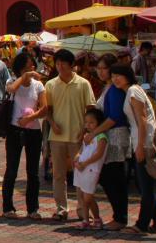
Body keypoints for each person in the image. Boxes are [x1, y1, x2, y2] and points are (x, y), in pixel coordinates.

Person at [112, 64, 156, 234]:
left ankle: (141, 225)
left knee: (146, 187)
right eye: (113, 76)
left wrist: (141, 146)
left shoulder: (133, 91)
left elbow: (142, 120)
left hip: (145, 143)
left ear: (127, 75)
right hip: (143, 142)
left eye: (118, 75)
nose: (115, 79)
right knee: (145, 185)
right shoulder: (132, 91)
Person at [43, 48, 95, 221]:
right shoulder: (50, 84)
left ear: (72, 65)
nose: (60, 67)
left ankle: (81, 209)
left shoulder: (83, 84)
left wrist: (85, 129)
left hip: (77, 137)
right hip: (57, 137)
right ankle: (61, 209)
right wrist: (52, 123)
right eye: (57, 64)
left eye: (63, 64)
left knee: (80, 175)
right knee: (58, 175)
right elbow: (47, 110)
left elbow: (90, 109)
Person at [87, 53, 132, 230]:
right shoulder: (108, 88)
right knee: (110, 178)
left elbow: (114, 117)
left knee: (113, 178)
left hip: (115, 136)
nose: (100, 71)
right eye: (98, 68)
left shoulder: (114, 89)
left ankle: (120, 217)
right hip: (109, 136)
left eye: (104, 68)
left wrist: (94, 133)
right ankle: (119, 216)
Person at [1, 51, 46, 220]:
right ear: (20, 69)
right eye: (28, 67)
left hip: (33, 131)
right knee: (11, 169)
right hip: (14, 130)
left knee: (33, 172)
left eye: (32, 66)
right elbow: (11, 89)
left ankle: (32, 209)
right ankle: (8, 207)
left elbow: (45, 108)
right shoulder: (12, 81)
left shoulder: (38, 85)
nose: (32, 69)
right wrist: (23, 77)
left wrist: (30, 118)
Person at [73, 108, 108, 230]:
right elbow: (81, 150)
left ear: (99, 123)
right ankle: (89, 220)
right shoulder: (87, 136)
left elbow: (98, 154)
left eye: (91, 122)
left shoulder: (101, 137)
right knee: (85, 197)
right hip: (82, 169)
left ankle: (94, 219)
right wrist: (77, 158)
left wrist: (85, 163)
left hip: (92, 170)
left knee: (87, 197)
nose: (88, 125)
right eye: (86, 122)